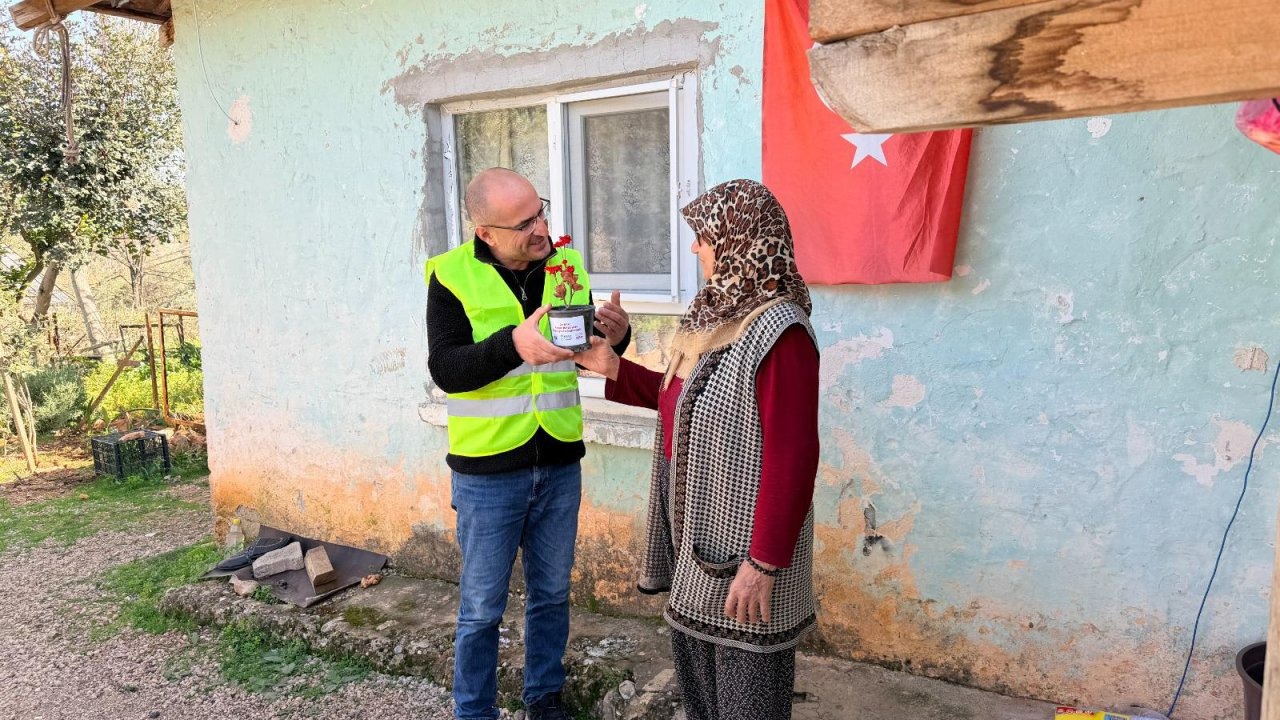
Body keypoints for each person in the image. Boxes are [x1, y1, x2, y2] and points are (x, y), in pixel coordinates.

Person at [575, 179, 820, 720]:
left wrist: (764, 564)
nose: (694, 248)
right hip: (700, 551)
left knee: (748, 699)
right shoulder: (715, 317)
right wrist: (613, 367)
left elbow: (794, 456)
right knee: (703, 698)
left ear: (740, 241)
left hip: (746, 563)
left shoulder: (781, 331)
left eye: (703, 236)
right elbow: (682, 403)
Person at [425, 167, 632, 720]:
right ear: (486, 231)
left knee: (552, 596)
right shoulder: (450, 276)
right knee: (482, 610)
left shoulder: (565, 264)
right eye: (525, 223)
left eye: (541, 211)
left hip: (560, 460)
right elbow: (446, 368)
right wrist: (513, 345)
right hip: (488, 472)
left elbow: (585, 346)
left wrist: (617, 333)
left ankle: (544, 698)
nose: (542, 228)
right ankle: (475, 711)